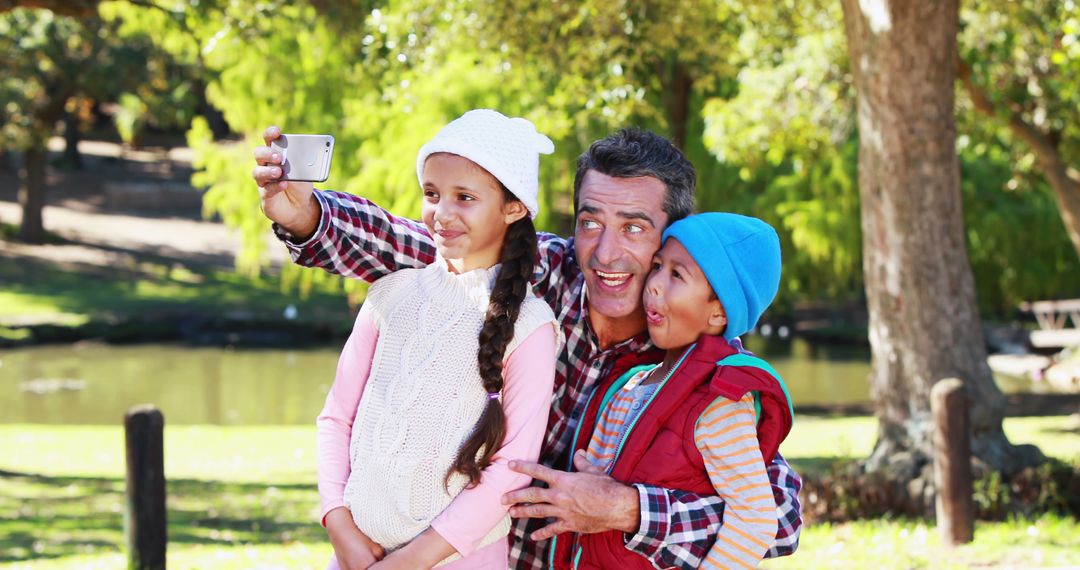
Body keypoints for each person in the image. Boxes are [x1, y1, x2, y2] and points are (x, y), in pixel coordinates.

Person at [253, 126, 802, 570]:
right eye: (591, 222)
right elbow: (417, 243)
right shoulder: (537, 273)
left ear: (675, 236)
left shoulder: (701, 363)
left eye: (634, 229)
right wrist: (306, 216)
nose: (606, 254)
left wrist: (628, 508)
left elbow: (779, 516)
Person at [313, 109, 560, 569]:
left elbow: (510, 470)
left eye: (464, 197)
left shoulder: (530, 326)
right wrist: (338, 523)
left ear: (513, 207)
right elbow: (335, 419)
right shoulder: (390, 295)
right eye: (432, 193)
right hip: (355, 557)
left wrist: (406, 563)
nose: (442, 213)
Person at [549, 212, 793, 569]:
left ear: (718, 313)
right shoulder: (632, 382)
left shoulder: (719, 402)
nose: (655, 284)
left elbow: (755, 519)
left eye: (677, 275)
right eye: (659, 265)